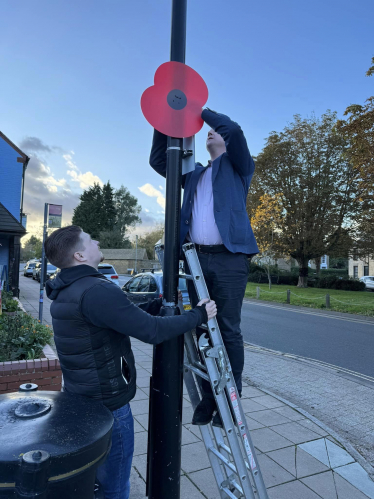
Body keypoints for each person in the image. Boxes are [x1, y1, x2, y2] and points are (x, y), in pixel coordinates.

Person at [44, 225, 217, 499]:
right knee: (115, 487)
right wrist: (199, 315)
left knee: (96, 483)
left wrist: (159, 308)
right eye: (90, 239)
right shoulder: (95, 290)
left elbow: (119, 316)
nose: (97, 240)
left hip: (83, 398)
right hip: (109, 406)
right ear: (79, 255)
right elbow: (153, 332)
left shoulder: (69, 287)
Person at [150, 108, 258, 427]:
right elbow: (159, 161)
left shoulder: (239, 168)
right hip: (196, 259)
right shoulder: (195, 174)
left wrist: (196, 109)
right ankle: (210, 396)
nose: (210, 134)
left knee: (226, 328)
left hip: (229, 259)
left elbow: (234, 130)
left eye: (216, 133)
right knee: (200, 327)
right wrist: (167, 116)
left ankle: (231, 399)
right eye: (208, 131)